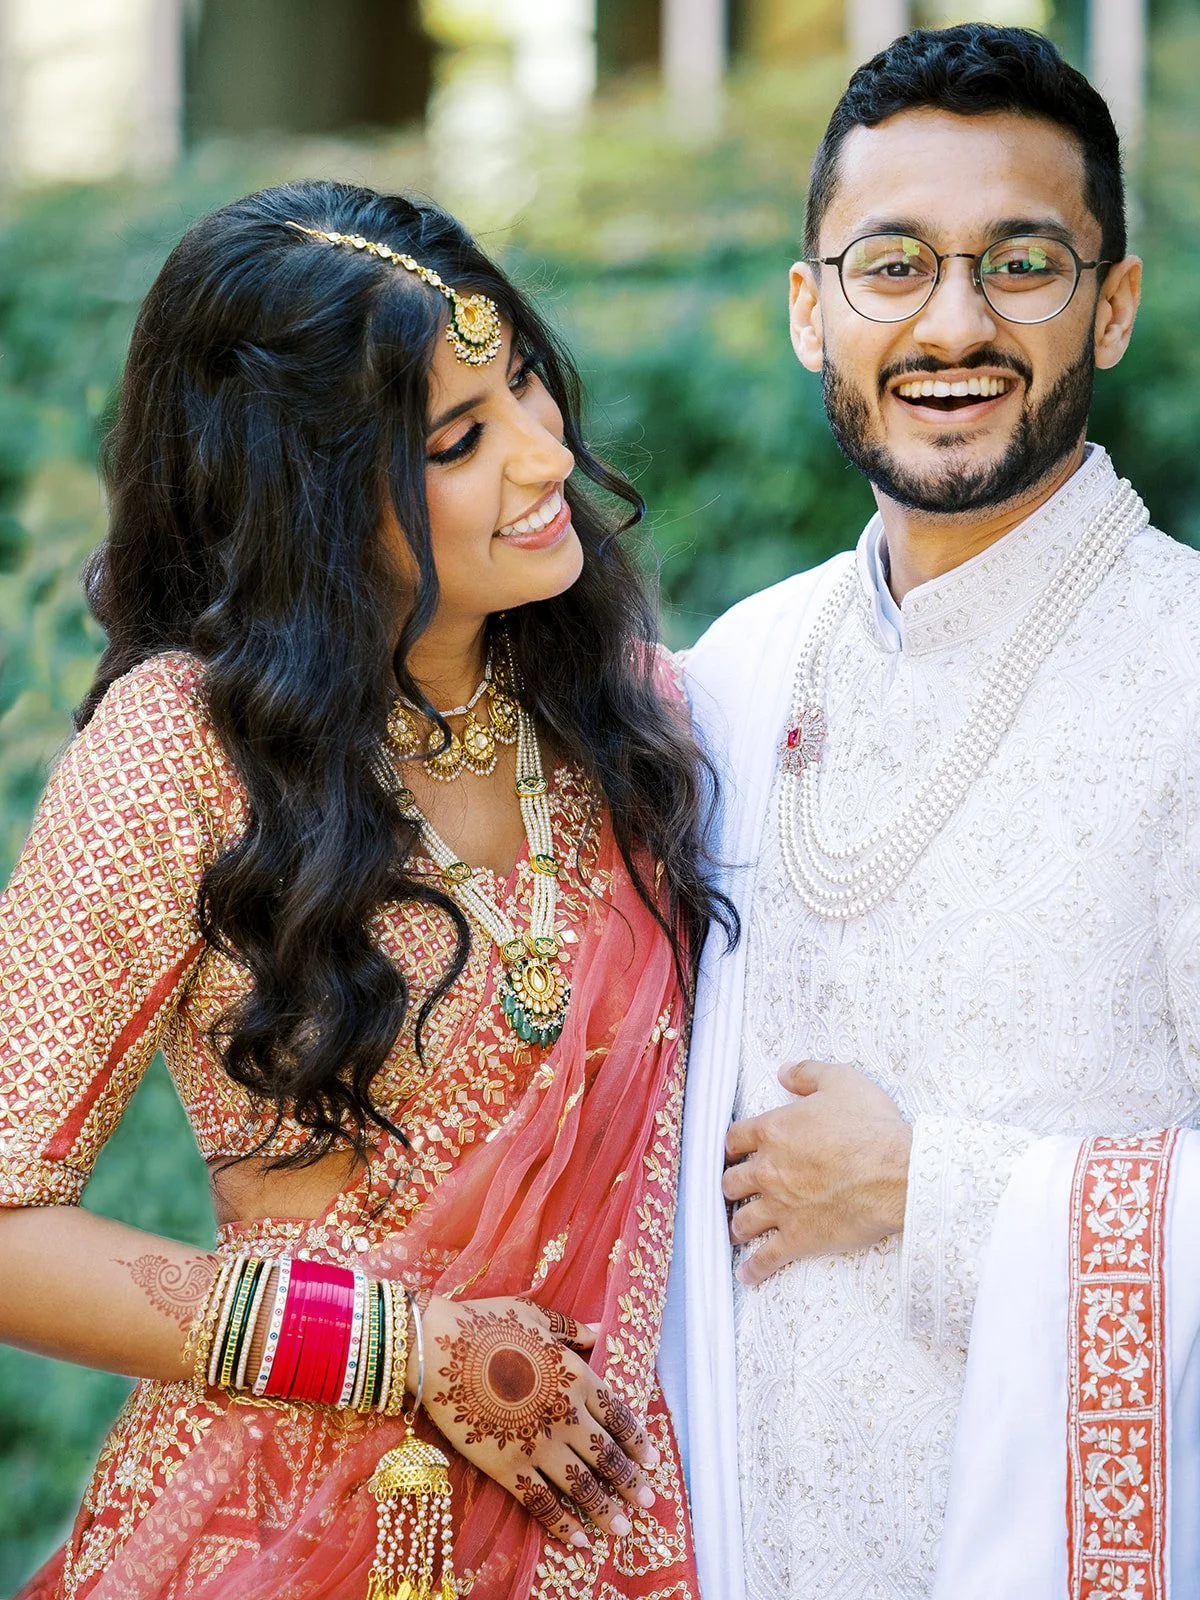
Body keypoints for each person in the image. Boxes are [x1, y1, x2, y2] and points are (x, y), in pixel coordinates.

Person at [0, 179, 732, 1600]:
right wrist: (405, 1346)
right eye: (460, 440)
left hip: (618, 1532)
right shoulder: (186, 750)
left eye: (527, 383)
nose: (543, 457)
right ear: (313, 499)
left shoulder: (633, 721)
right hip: (287, 1536)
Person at [659, 24, 1200, 1600]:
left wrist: (936, 1193)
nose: (953, 321)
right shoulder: (732, 678)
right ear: (807, 307)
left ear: (1113, 304)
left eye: (1022, 264)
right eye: (892, 264)